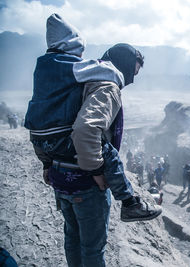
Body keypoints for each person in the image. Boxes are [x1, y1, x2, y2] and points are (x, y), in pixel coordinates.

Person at [24, 14, 161, 266]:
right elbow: (87, 130)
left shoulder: (59, 80)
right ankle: (129, 203)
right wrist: (95, 169)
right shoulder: (105, 84)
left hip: (59, 176)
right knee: (93, 250)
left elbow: (39, 122)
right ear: (125, 64)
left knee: (72, 240)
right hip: (86, 183)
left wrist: (46, 163)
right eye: (134, 71)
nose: (133, 78)